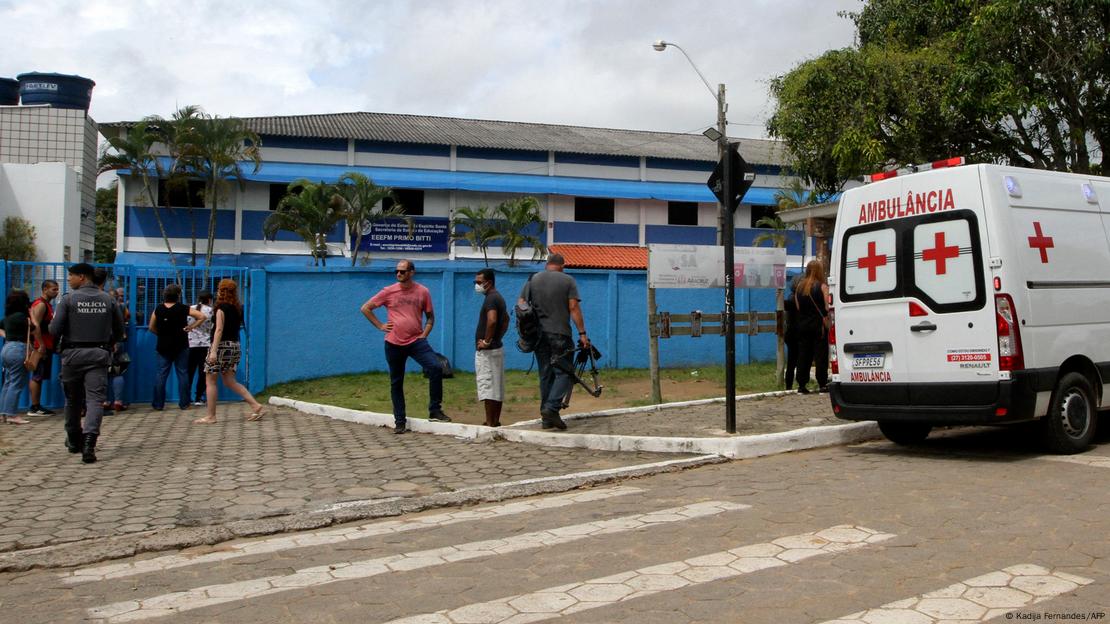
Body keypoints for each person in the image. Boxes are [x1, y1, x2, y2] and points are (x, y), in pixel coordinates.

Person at [361, 259, 451, 434]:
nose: (399, 274)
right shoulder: (388, 291)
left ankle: (435, 410)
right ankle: (400, 421)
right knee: (396, 382)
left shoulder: (423, 292)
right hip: (393, 343)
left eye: (402, 271)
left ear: (412, 272)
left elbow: (430, 317)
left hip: (417, 341)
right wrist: (380, 325)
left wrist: (424, 334)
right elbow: (365, 308)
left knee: (435, 367)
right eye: (397, 271)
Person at [49, 263, 125, 463]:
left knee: (72, 400)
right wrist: (109, 341)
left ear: (82, 277)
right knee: (95, 400)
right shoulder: (109, 300)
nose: (69, 279)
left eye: (71, 276)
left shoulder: (68, 300)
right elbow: (119, 331)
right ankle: (89, 444)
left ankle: (74, 439)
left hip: (72, 355)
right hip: (99, 355)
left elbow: (54, 330)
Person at [518, 253, 590, 430]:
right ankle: (551, 408)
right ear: (562, 266)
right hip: (560, 334)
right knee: (565, 372)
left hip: (538, 336)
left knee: (546, 373)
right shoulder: (568, 280)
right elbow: (573, 307)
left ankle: (547, 418)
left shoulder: (533, 279)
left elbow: (521, 303)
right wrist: (582, 333)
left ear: (547, 264)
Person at [192, 279, 264, 424]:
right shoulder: (237, 308)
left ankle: (211, 416)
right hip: (234, 346)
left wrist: (213, 351)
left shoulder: (220, 308)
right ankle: (255, 405)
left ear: (221, 291)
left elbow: (218, 329)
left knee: (210, 382)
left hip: (220, 347)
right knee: (230, 381)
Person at [148, 284, 205, 411]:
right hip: (181, 345)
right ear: (178, 295)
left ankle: (158, 404)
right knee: (183, 374)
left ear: (164, 295)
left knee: (161, 375)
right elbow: (202, 316)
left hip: (163, 346)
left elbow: (151, 327)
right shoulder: (183, 308)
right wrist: (191, 327)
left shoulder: (158, 309)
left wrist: (161, 334)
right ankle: (184, 404)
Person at [473, 268, 509, 427]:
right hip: (496, 349)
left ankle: (489, 422)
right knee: (497, 387)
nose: (477, 285)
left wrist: (487, 341)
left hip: (488, 352)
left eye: (479, 282)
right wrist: (497, 338)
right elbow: (506, 320)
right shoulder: (498, 297)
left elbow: (492, 320)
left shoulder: (491, 299)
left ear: (489, 282)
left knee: (488, 387)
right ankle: (495, 421)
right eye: (476, 282)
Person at [793, 259, 830, 394]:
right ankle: (822, 384)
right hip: (818, 327)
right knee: (820, 355)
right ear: (819, 271)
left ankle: (801, 385)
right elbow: (827, 306)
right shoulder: (822, 287)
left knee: (803, 355)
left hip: (803, 326)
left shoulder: (799, 287)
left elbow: (798, 306)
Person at [27, 279, 60, 416]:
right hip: (41, 346)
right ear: (45, 289)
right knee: (37, 376)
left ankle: (37, 406)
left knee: (39, 376)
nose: (56, 292)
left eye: (57, 289)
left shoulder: (46, 304)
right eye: (54, 289)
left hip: (45, 345)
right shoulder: (40, 305)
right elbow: (35, 326)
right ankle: (34, 407)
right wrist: (40, 346)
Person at [0, 290, 33, 425]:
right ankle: (12, 415)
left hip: (7, 348)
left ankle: (4, 412)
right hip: (18, 349)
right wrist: (31, 314)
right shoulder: (21, 317)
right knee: (16, 383)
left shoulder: (8, 317)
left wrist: (7, 336)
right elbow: (34, 328)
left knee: (8, 382)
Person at [186, 291, 214, 406]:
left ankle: (186, 397)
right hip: (205, 344)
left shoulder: (190, 309)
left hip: (190, 343)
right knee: (203, 372)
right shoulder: (211, 310)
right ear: (209, 299)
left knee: (189, 372)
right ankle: (199, 397)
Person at [782, 274, 801, 391]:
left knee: (792, 361)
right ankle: (797, 383)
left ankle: (789, 385)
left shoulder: (790, 297)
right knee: (796, 361)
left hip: (791, 333)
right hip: (796, 333)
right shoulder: (796, 299)